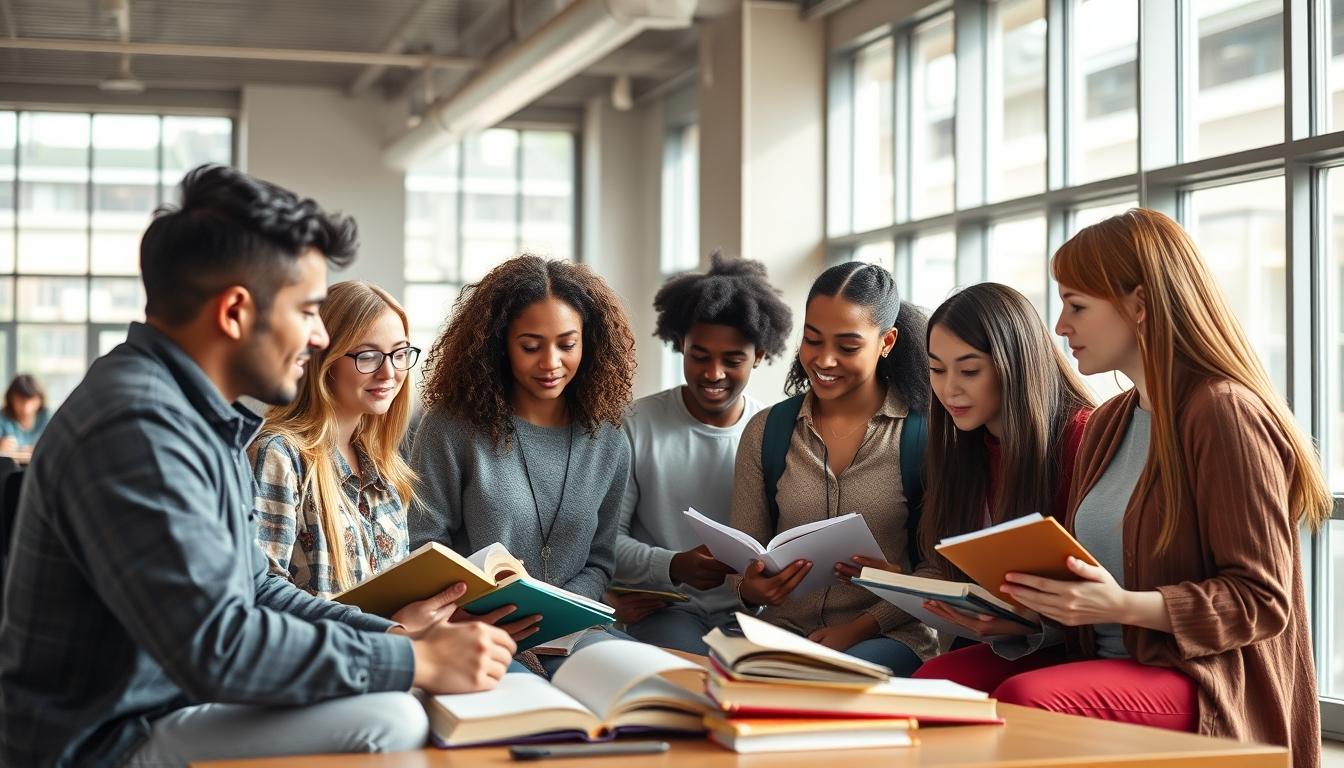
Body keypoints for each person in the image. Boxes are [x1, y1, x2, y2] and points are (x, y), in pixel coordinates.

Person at [0, 165, 517, 768]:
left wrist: (394, 638)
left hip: (166, 706)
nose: (320, 336)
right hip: (103, 742)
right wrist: (416, 662)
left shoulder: (189, 414)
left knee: (395, 699)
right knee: (392, 714)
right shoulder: (138, 425)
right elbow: (216, 647)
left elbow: (260, 586)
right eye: (307, 311)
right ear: (235, 311)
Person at [915, 209, 1327, 766]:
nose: (1060, 327)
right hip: (1102, 658)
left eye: (1077, 306)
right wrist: (1029, 619)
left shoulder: (1222, 413)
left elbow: (1262, 600)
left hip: (1201, 677)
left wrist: (1124, 605)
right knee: (936, 684)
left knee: (1025, 701)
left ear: (1139, 306)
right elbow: (1098, 595)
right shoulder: (1111, 422)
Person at [248, 280, 542, 644]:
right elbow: (261, 591)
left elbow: (390, 605)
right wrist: (393, 629)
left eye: (400, 353)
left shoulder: (385, 469)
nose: (390, 373)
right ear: (324, 361)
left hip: (390, 655)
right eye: (367, 356)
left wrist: (452, 613)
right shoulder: (279, 455)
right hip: (330, 667)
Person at [409, 255, 635, 662]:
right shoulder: (450, 427)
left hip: (577, 634)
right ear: (500, 345)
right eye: (530, 346)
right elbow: (424, 543)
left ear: (590, 342)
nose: (550, 363)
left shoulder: (608, 440)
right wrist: (473, 615)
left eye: (567, 345)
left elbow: (600, 562)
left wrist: (556, 612)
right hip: (475, 632)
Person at [727, 261, 937, 675]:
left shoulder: (923, 437)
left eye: (847, 346)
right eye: (812, 339)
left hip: (888, 638)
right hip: (781, 634)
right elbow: (744, 555)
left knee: (828, 682)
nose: (824, 360)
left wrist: (857, 629)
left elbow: (936, 569)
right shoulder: (767, 431)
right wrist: (750, 588)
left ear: (887, 342)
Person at [868, 284, 1092, 637]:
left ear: (1015, 366)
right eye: (936, 370)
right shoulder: (961, 445)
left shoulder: (1083, 438)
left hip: (1069, 642)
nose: (949, 389)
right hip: (997, 638)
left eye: (969, 371)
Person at [611, 252, 793, 654]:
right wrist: (673, 565)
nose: (713, 374)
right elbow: (605, 541)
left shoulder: (775, 430)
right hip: (665, 608)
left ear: (759, 356)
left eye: (733, 360)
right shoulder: (636, 425)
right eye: (699, 356)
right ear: (680, 345)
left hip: (755, 616)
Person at [0, 374, 50, 451]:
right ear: (11, 399)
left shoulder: (47, 417)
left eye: (32, 401)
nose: (26, 409)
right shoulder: (3, 417)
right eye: (20, 401)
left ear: (40, 399)